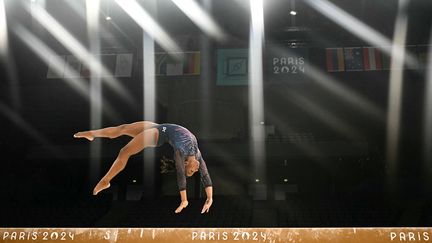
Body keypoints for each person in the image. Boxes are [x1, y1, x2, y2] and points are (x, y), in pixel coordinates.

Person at [74, 121, 213, 214]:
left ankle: (105, 181)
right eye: (194, 171)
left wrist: (184, 200)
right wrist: (209, 198)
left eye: (192, 171)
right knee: (122, 128)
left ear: (185, 164)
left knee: (124, 151)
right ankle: (92, 134)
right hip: (161, 127)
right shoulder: (197, 155)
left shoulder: (180, 153)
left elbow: (181, 176)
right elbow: (205, 176)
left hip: (157, 135)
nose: (196, 169)